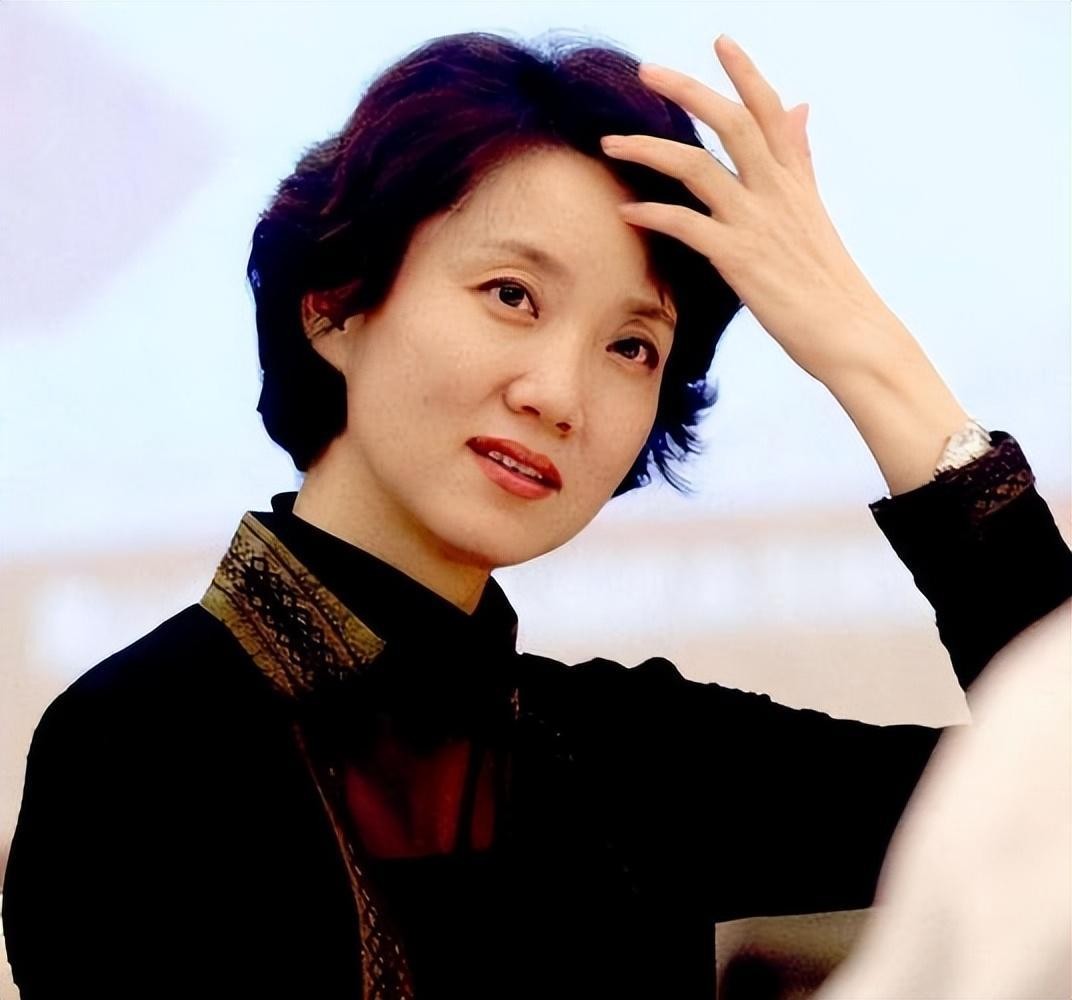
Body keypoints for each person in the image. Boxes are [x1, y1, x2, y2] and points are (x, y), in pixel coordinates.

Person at [3, 29, 1070, 1000]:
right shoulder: (138, 747)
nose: (559, 395)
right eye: (512, 295)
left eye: (631, 346)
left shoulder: (624, 757)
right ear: (334, 301)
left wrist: (864, 351)